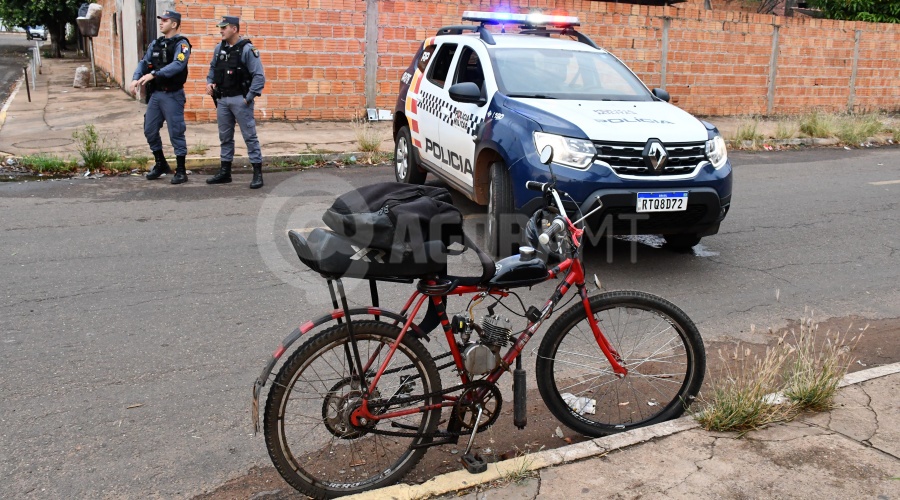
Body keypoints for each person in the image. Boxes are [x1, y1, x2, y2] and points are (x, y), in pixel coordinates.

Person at [128, 10, 191, 184]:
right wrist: (135, 79)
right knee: (149, 129)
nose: (161, 23)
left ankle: (181, 170)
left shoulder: (182, 44)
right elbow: (143, 62)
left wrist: (154, 75)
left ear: (175, 24)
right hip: (156, 95)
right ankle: (161, 162)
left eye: (165, 20)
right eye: (160, 20)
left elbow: (178, 64)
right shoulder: (156, 44)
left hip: (173, 94)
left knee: (176, 132)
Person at [206, 16, 266, 189]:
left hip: (240, 100)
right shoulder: (219, 48)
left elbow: (259, 76)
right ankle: (225, 172)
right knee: (225, 137)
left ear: (234, 29)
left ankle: (257, 173)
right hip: (222, 100)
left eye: (224, 27)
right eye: (220, 27)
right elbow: (212, 69)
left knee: (250, 137)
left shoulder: (247, 49)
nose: (221, 30)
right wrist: (209, 83)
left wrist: (248, 98)